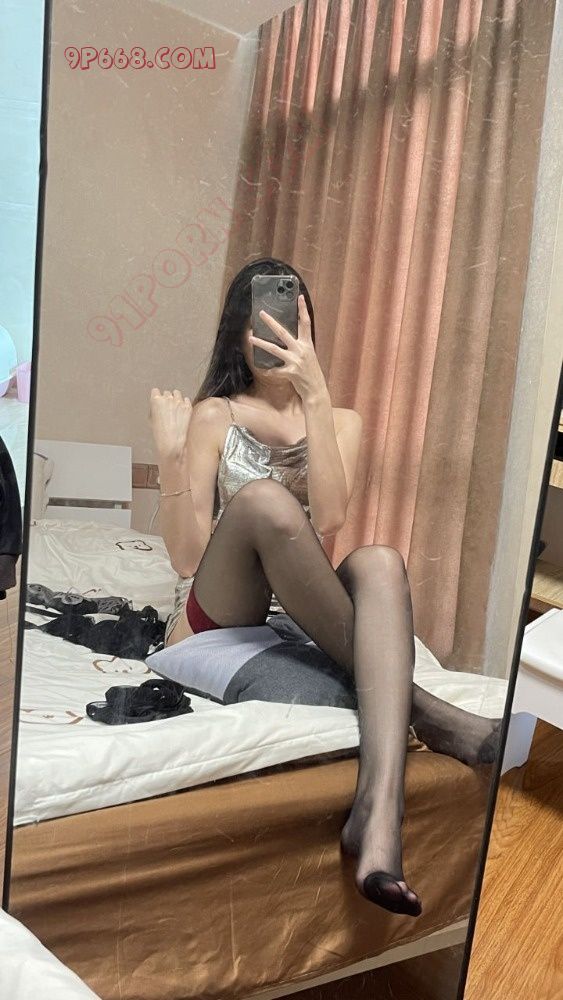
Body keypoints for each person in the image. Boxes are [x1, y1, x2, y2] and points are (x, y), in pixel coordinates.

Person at [149, 257, 501, 918]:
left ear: (307, 326)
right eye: (257, 325)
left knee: (380, 562)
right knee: (264, 500)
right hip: (216, 611)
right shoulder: (214, 414)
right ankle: (429, 710)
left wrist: (314, 395)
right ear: (236, 335)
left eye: (288, 321)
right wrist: (170, 457)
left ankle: (378, 819)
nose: (273, 336)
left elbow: (332, 517)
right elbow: (187, 556)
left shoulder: (340, 420)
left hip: (293, 610)